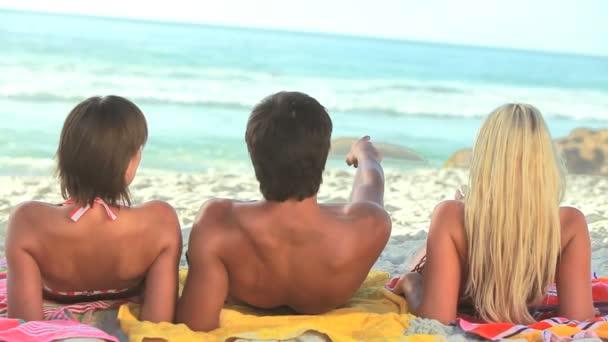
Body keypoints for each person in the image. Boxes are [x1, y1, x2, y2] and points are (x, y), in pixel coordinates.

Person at [176, 91, 391, 331]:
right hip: (326, 298)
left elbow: (194, 325)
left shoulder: (216, 220)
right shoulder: (371, 223)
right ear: (323, 153)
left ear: (254, 153)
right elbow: (371, 186)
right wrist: (367, 156)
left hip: (250, 294)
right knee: (366, 204)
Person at [392, 103, 594, 324]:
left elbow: (438, 318)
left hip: (461, 238)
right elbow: (579, 318)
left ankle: (471, 204)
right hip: (494, 232)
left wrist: (412, 283)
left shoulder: (450, 215)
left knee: (425, 252)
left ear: (485, 156)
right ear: (545, 158)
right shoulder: (569, 223)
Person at [5, 96, 182, 323]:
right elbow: (158, 325)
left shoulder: (28, 221)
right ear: (129, 163)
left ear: (64, 158)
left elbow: (25, 324)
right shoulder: (160, 221)